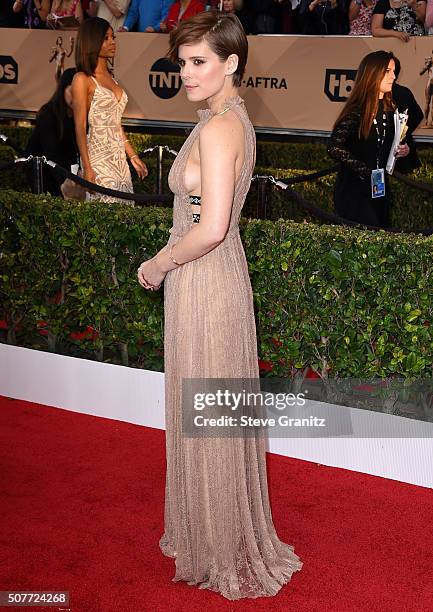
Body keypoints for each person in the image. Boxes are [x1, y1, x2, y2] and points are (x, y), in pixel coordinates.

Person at [137, 12, 303, 600]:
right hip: (213, 276)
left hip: (203, 276)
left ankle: (216, 541)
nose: (186, 73)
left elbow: (209, 228)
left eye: (198, 62)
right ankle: (210, 532)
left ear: (232, 63)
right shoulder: (230, 118)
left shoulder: (217, 128)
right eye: (182, 62)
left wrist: (158, 263)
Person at [328, 50, 410, 228]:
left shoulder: (390, 108)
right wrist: (364, 169)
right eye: (388, 71)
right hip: (354, 191)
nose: (393, 76)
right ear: (373, 73)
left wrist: (402, 149)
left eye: (394, 71)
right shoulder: (357, 111)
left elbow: (386, 144)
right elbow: (334, 146)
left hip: (379, 189)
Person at [72, 17, 147, 204]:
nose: (113, 42)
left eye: (113, 37)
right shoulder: (82, 79)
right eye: (106, 38)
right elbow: (80, 127)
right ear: (92, 41)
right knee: (106, 213)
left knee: (125, 211)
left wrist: (132, 155)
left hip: (118, 158)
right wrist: (87, 166)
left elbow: (115, 124)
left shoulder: (112, 78)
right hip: (97, 157)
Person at [25, 68, 79, 197]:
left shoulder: (76, 116)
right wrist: (64, 183)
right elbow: (50, 152)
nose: (77, 97)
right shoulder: (48, 113)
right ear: (63, 89)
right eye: (73, 92)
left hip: (62, 172)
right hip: (42, 171)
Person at [392, 56, 423, 172]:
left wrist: (402, 131)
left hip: (401, 151)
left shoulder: (403, 92)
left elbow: (418, 115)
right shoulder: (404, 92)